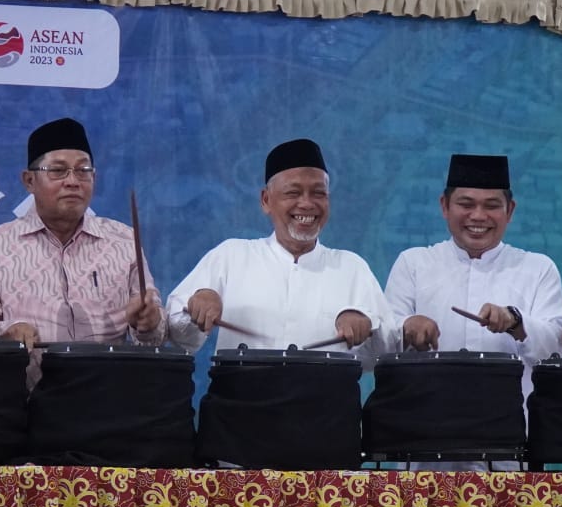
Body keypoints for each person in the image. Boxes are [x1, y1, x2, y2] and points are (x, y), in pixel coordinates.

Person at [382, 154, 562, 469]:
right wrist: (408, 327)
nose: (478, 216)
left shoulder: (537, 268)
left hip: (512, 446)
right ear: (444, 206)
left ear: (510, 211)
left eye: (492, 205)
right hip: (425, 443)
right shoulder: (413, 264)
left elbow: (556, 351)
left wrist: (516, 322)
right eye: (466, 204)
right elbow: (381, 348)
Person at [0, 117, 165, 356]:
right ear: (29, 181)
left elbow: (155, 334)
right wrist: (8, 331)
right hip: (25, 388)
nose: (73, 181)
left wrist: (149, 321)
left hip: (107, 387)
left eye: (83, 171)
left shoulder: (124, 240)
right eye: (57, 171)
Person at [167, 138, 395, 355]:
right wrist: (198, 306)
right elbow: (181, 339)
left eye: (318, 193)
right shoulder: (231, 255)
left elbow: (386, 351)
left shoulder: (351, 267)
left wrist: (366, 324)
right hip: (240, 395)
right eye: (293, 193)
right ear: (266, 200)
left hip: (325, 396)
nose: (306, 203)